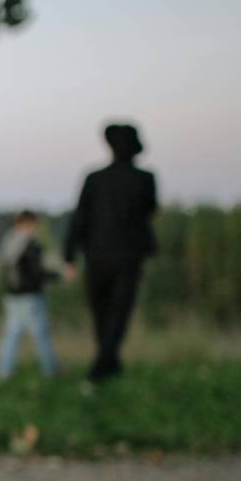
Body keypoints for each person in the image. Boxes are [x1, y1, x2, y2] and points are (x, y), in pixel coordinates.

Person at [65, 122, 159, 381]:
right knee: (118, 312)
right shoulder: (145, 179)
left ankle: (103, 365)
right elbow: (149, 212)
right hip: (128, 257)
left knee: (102, 312)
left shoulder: (94, 179)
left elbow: (78, 219)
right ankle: (108, 363)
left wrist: (69, 256)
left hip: (97, 256)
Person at [0, 209, 62, 381]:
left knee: (11, 335)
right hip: (30, 295)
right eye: (34, 224)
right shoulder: (29, 245)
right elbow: (36, 273)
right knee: (41, 334)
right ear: (27, 223)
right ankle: (51, 369)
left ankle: (4, 371)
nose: (35, 228)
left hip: (12, 295)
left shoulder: (9, 242)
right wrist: (58, 276)